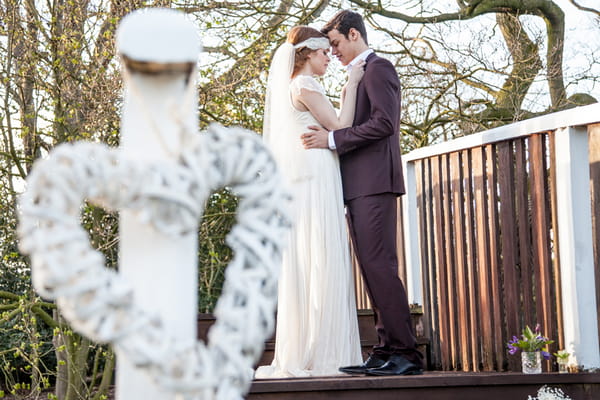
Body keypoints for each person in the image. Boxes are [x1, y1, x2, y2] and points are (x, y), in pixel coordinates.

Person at [301, 10, 424, 376]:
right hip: (356, 187)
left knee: (380, 266)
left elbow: (385, 123)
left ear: (354, 35)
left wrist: (332, 140)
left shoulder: (379, 68)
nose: (333, 52)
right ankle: (387, 348)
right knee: (370, 268)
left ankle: (407, 353)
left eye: (336, 44)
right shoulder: (357, 77)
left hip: (375, 183)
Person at [255, 25, 364, 378]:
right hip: (315, 175)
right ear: (306, 54)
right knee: (320, 252)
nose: (329, 58)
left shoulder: (298, 86)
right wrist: (353, 86)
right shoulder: (304, 85)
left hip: (313, 173)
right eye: (322, 53)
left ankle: (313, 343)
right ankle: (322, 350)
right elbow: (340, 126)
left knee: (314, 254)